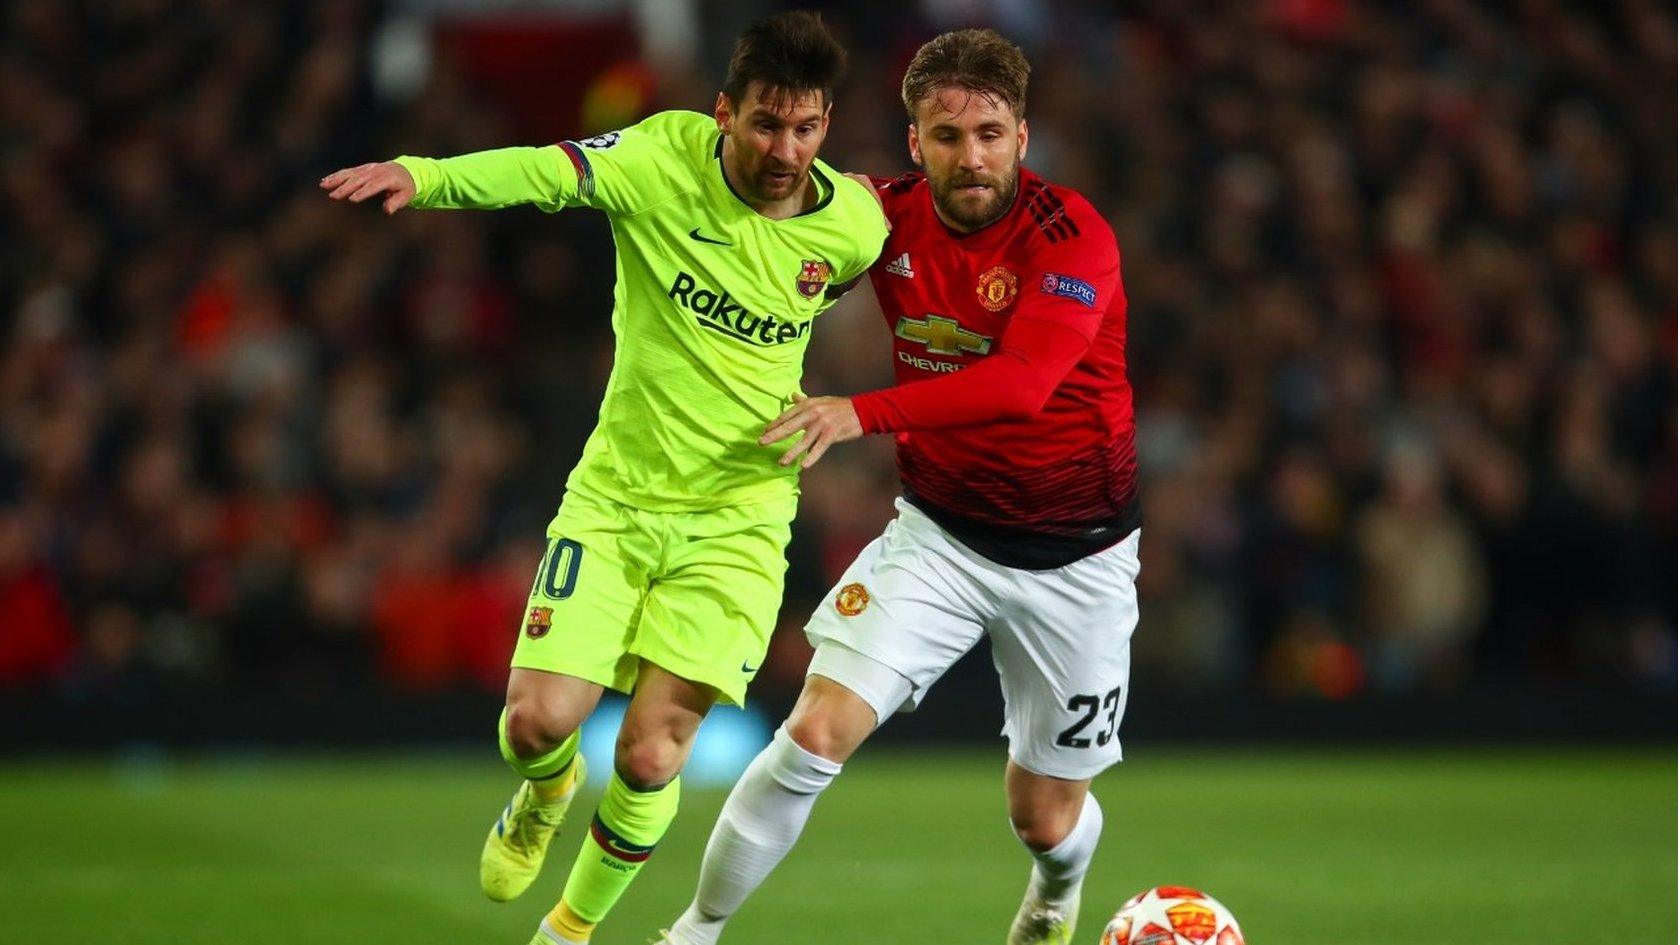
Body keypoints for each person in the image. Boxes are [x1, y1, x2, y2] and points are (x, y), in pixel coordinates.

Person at [319, 13, 886, 945]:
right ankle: (544, 796)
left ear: (827, 124)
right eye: (765, 124)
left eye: (806, 127)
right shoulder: (661, 158)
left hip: (740, 519)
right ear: (723, 115)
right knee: (539, 722)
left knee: (656, 750)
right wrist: (425, 175)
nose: (785, 149)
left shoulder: (854, 224)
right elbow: (546, 171)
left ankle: (570, 931)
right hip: (617, 501)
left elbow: (911, 272)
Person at [661, 29, 1138, 945]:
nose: (974, 157)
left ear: (1023, 137)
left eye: (992, 134)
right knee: (811, 733)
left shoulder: (1070, 235)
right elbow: (751, 218)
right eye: (948, 137)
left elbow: (1023, 385)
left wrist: (862, 411)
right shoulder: (874, 217)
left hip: (1079, 556)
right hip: (940, 537)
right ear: (913, 144)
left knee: (1043, 816)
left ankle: (1056, 885)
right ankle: (691, 932)